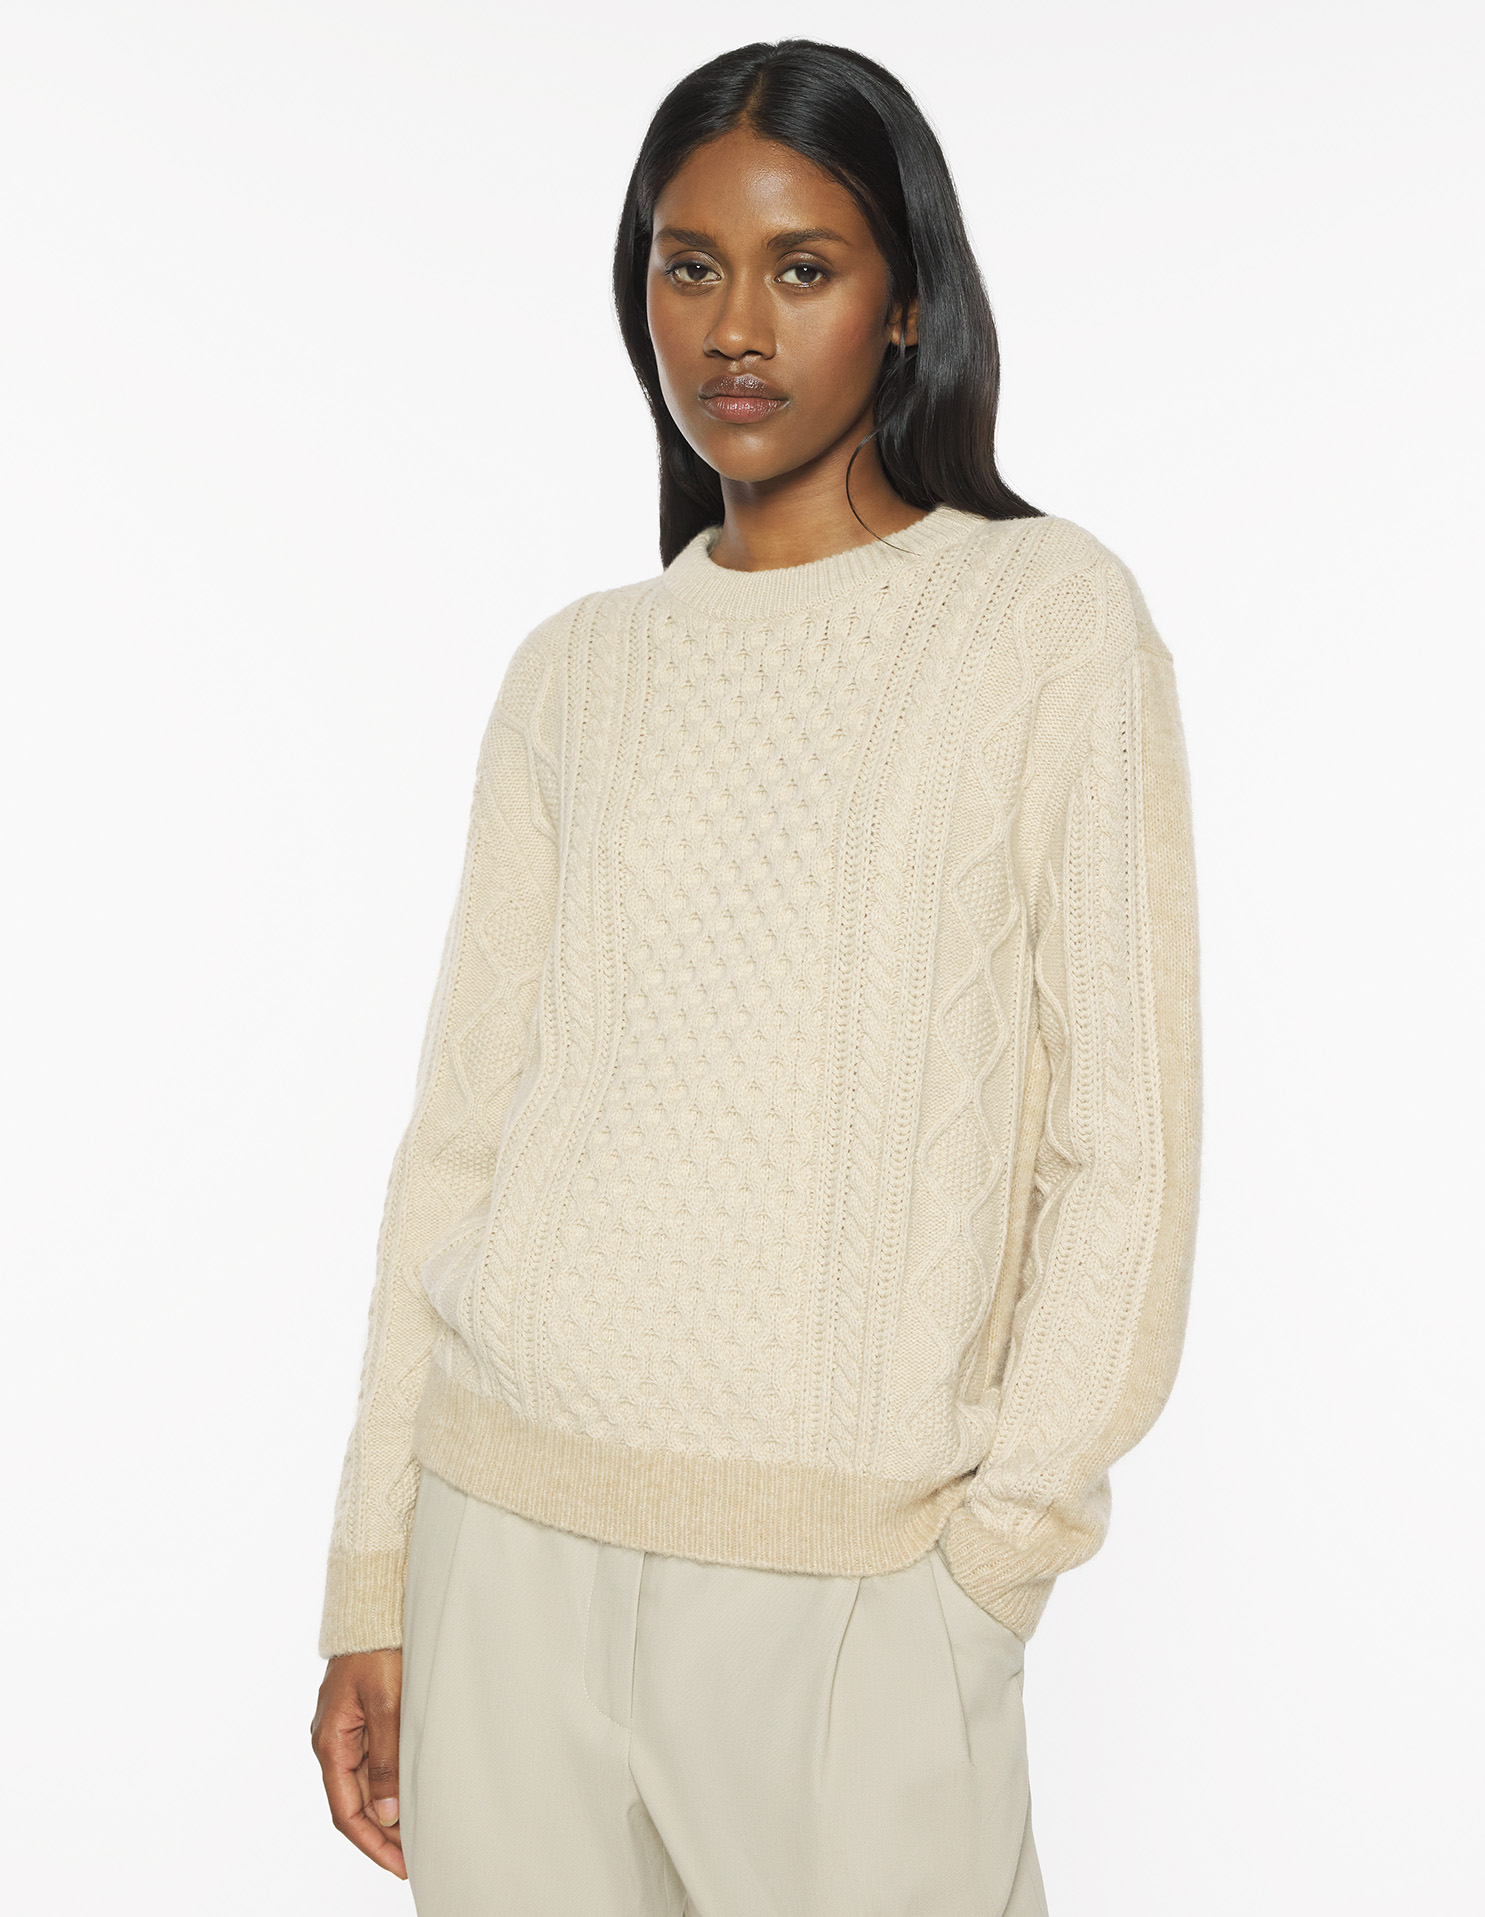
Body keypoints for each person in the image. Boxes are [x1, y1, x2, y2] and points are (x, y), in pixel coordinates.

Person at [310, 37, 1201, 1917]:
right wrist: (373, 1577)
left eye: (803, 267)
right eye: (687, 264)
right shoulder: (575, 669)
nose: (733, 325)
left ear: (905, 300)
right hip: (502, 1548)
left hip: (854, 1594)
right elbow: (458, 1144)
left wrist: (991, 1562)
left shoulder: (1043, 616)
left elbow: (1123, 1145)